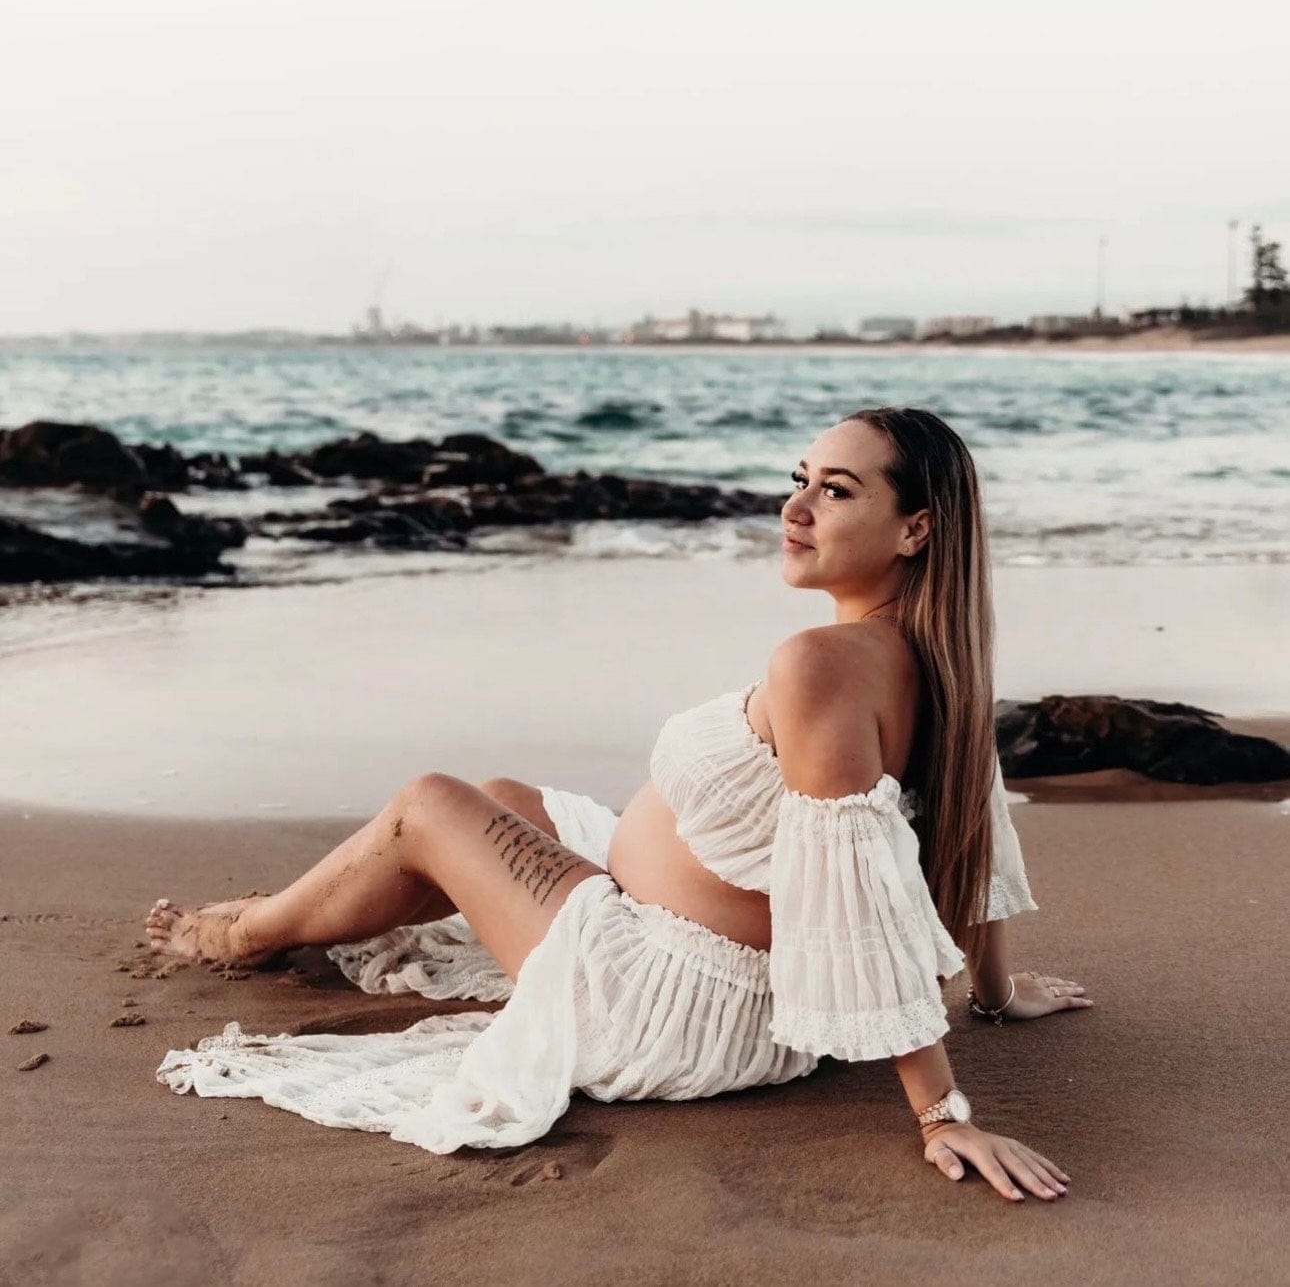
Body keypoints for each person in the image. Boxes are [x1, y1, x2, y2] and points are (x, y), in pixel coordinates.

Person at [152, 407, 1090, 1201]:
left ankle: (247, 934)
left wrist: (941, 1114)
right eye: (799, 479)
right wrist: (999, 994)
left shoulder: (824, 666)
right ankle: (302, 912)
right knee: (506, 801)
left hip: (674, 999)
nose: (794, 508)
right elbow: (979, 833)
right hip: (702, 956)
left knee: (428, 805)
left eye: (837, 492)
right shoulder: (939, 658)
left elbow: (857, 886)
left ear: (916, 530)